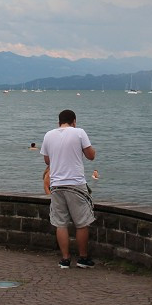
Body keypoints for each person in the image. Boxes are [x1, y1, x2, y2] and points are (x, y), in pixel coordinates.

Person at [40, 109, 97, 269]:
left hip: (56, 184)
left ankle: (65, 259)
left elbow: (46, 160)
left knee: (61, 223)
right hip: (75, 184)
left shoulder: (48, 135)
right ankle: (83, 258)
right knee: (82, 223)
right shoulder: (79, 132)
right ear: (74, 121)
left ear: (59, 122)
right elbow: (91, 155)